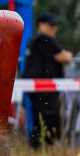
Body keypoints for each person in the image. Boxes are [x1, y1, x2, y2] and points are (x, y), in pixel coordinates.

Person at [22, 13, 72, 147]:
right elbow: (64, 58)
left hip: (37, 88)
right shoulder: (44, 39)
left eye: (55, 25)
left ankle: (39, 148)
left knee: (40, 120)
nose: (54, 28)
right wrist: (68, 54)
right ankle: (45, 149)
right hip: (45, 89)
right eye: (51, 25)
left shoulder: (34, 40)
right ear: (41, 25)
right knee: (49, 120)